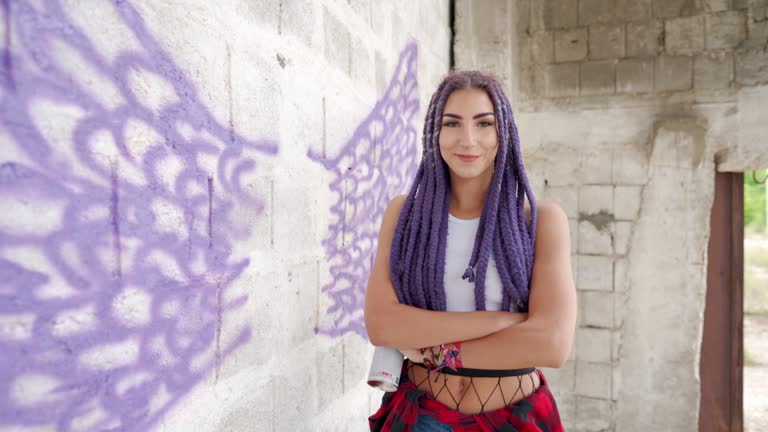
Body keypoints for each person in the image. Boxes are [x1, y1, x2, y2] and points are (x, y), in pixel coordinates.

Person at [364, 70, 577, 431]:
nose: (467, 139)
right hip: (422, 415)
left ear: (502, 133)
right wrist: (503, 322)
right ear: (436, 132)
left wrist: (438, 351)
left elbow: (551, 344)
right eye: (452, 124)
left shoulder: (542, 222)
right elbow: (382, 324)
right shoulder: (404, 215)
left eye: (483, 124)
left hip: (514, 417)